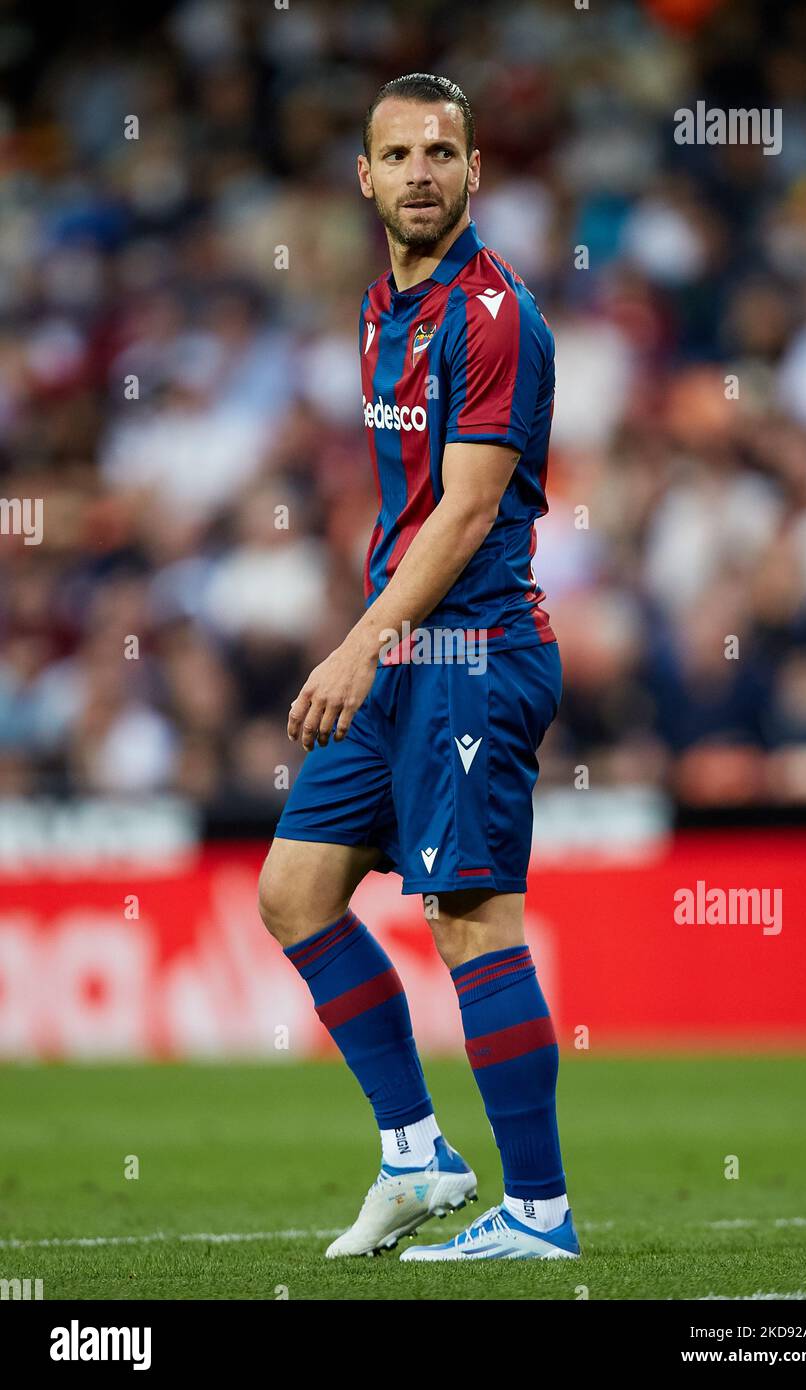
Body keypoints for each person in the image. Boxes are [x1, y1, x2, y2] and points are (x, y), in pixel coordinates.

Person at [258, 73, 580, 1261]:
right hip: (401, 652)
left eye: (441, 152)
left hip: (471, 651)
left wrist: (357, 638)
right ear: (365, 175)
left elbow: (463, 511)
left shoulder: (490, 316)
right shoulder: (375, 309)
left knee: (470, 922)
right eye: (397, 156)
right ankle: (414, 1156)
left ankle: (538, 1213)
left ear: (474, 170)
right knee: (293, 892)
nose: (420, 174)